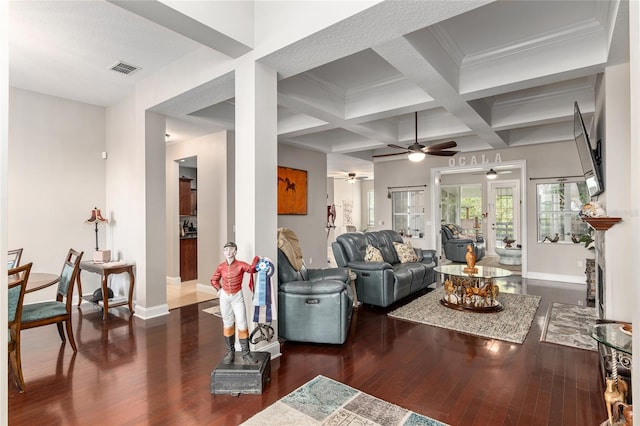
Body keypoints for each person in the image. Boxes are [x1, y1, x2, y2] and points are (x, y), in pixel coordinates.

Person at [210, 242, 259, 364]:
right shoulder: (221, 267)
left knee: (242, 322)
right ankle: (230, 352)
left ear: (235, 252)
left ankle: (246, 354)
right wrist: (219, 289)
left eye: (231, 249)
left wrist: (258, 260)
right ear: (224, 252)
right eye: (226, 249)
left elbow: (252, 269)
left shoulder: (241, 265)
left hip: (237, 296)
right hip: (225, 297)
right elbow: (214, 279)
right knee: (227, 322)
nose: (228, 252)